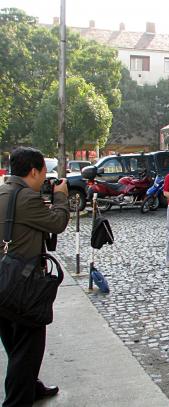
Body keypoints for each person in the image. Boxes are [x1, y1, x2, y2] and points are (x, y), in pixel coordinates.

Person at [0, 147, 70, 406]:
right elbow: (57, 223)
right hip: (22, 286)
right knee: (28, 347)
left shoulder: (3, 191)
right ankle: (18, 400)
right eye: (43, 172)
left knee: (15, 344)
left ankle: (32, 386)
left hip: (3, 280)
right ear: (33, 171)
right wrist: (61, 197)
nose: (44, 177)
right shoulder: (27, 198)